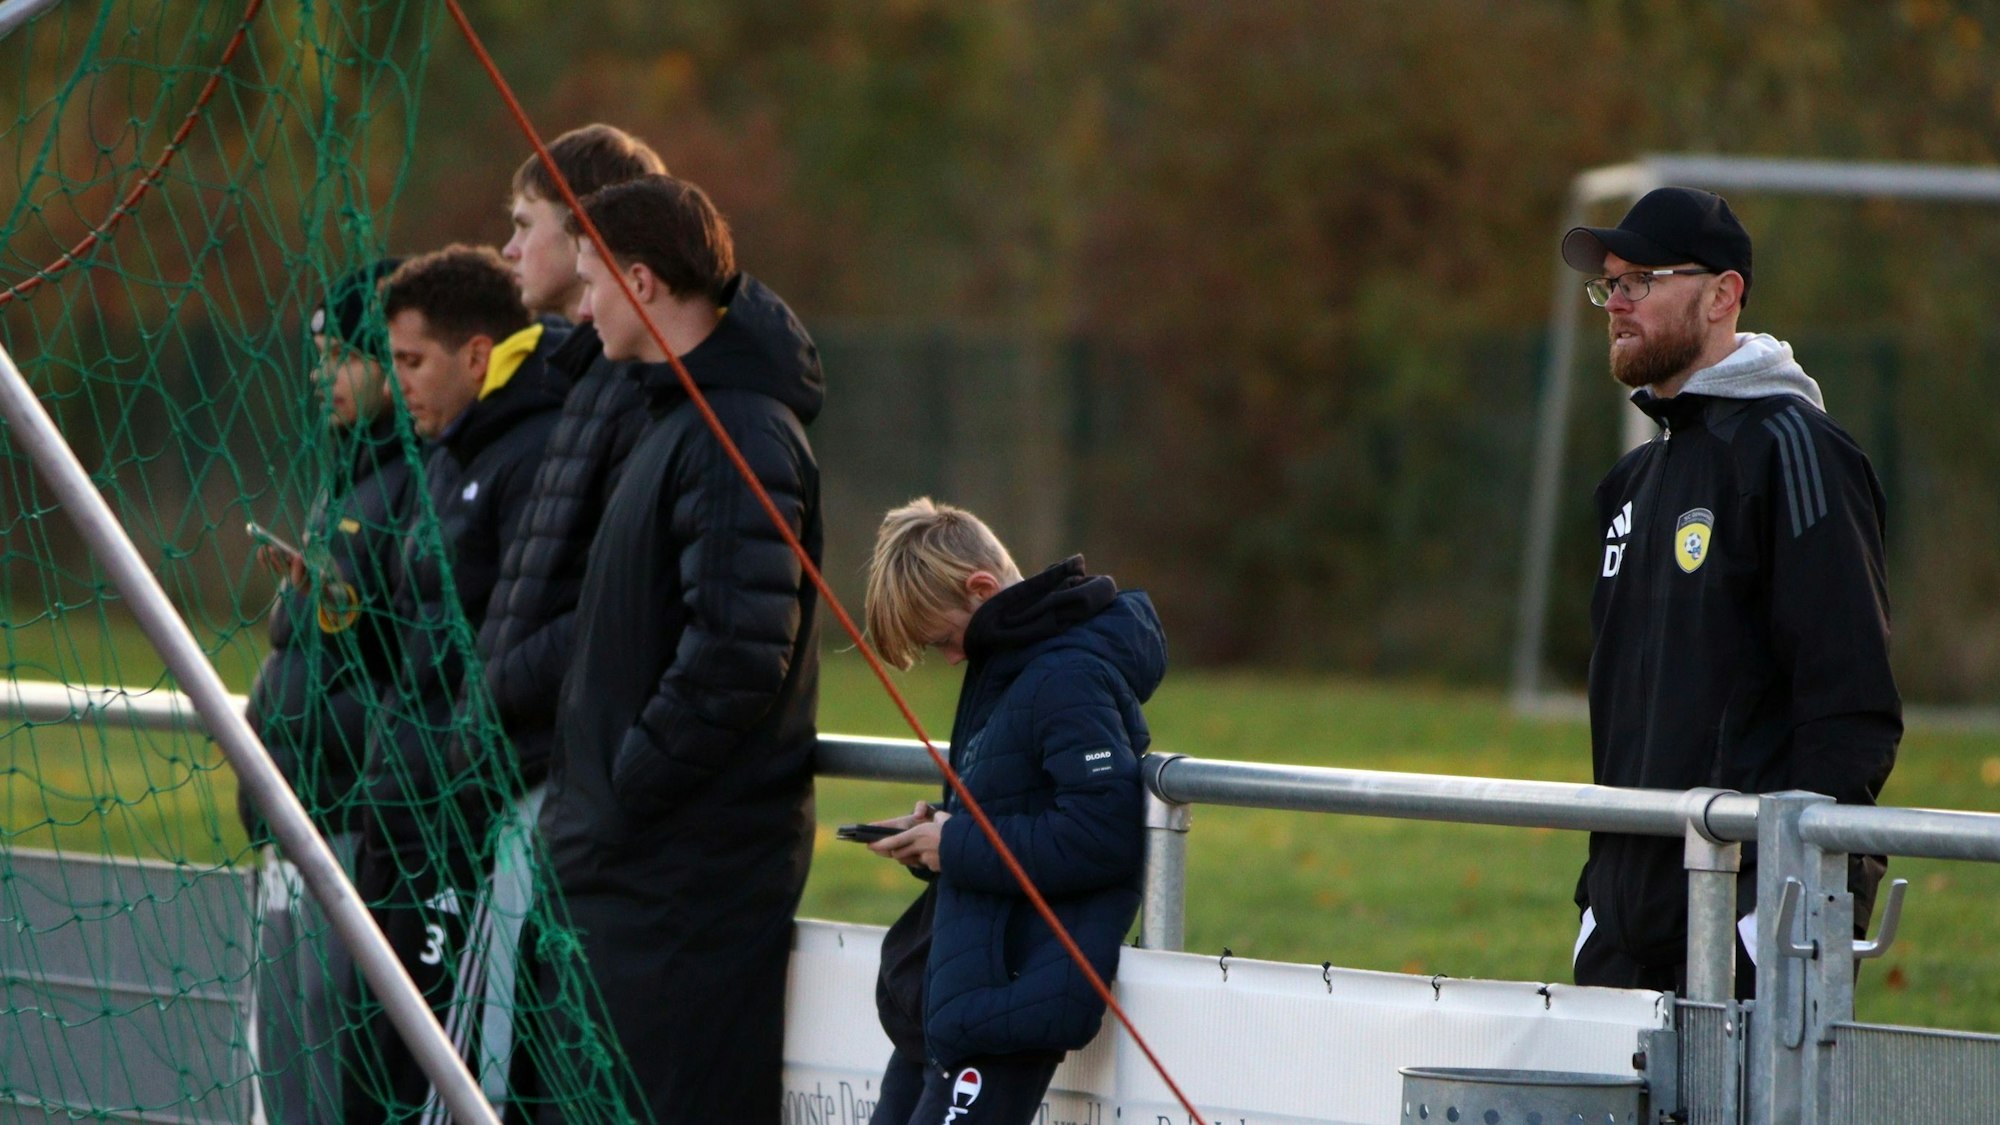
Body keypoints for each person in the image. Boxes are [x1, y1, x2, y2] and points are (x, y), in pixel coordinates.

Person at [1560, 186, 1901, 997]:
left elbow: (1850, 704)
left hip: (1752, 923)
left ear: (1722, 295)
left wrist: (1781, 908)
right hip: (1622, 932)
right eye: (1610, 285)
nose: (1617, 305)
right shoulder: (1629, 483)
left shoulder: (1794, 450)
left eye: (1641, 279)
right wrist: (1596, 908)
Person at [536, 174, 824, 1124]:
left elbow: (737, 655)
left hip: (679, 893)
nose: (581, 308)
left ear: (644, 280)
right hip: (630, 881)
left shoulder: (739, 430)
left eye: (591, 283)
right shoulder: (673, 418)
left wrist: (624, 793)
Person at [448, 124, 666, 1114]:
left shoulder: (630, 397)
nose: (507, 249)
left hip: (564, 788)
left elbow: (599, 611)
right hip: (527, 778)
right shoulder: (578, 386)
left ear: (587, 237)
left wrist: (489, 694)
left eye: (524, 223)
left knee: (521, 1071)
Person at [858, 499, 1166, 1125]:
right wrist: (936, 836)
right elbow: (1013, 806)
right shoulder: (1010, 667)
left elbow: (1100, 837)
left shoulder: (1066, 675)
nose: (949, 658)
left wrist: (958, 843)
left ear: (981, 588)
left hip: (1012, 997)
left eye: (944, 639)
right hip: (955, 995)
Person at [352, 245, 567, 1121]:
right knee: (375, 1068)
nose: (398, 382)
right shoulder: (446, 453)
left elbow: (521, 648)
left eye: (412, 361)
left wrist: (454, 773)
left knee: (446, 1078)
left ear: (476, 354)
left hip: (465, 828)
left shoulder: (533, 455)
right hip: (398, 814)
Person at [242, 257, 410, 1125]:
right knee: (287, 1073)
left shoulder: (408, 485)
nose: (324, 375)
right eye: (318, 355)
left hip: (352, 825)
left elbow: (397, 661)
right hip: (293, 817)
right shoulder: (341, 476)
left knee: (339, 1068)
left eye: (343, 353)